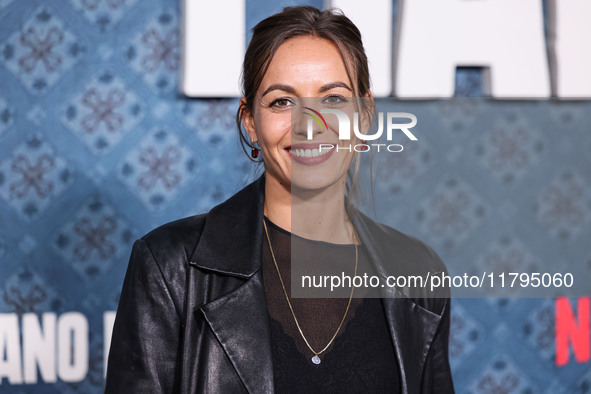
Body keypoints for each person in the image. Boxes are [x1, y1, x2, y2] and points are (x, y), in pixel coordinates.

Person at [105, 5, 454, 393]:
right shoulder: (171, 267)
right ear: (251, 122)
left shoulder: (418, 271)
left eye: (334, 99)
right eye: (281, 102)